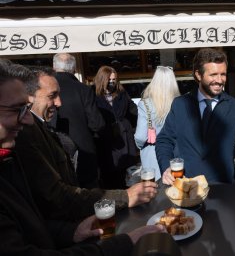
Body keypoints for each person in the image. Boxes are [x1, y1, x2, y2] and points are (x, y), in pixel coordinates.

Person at [0, 59, 164, 255]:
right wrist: (123, 241)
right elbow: (55, 198)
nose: (59, 103)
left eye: (25, 108)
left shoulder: (12, 151)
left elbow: (29, 224)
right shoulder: (24, 138)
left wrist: (71, 232)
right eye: (17, 109)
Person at [15, 66, 158, 222]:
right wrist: (124, 196)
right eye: (52, 96)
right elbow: (56, 195)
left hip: (121, 144)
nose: (59, 103)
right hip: (103, 150)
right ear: (28, 98)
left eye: (114, 79)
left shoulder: (39, 127)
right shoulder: (25, 134)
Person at [156, 48, 235, 184]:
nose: (220, 80)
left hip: (222, 187)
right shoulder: (180, 104)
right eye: (213, 74)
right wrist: (166, 167)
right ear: (198, 75)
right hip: (185, 185)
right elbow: (164, 140)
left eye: (223, 74)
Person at [53, 53, 105, 188]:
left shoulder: (44, 89)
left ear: (54, 66)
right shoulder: (83, 89)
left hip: (53, 153)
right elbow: (97, 124)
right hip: (84, 153)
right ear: (74, 69)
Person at [94, 66, 138, 189]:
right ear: (102, 79)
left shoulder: (122, 93)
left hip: (123, 137)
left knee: (123, 176)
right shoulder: (93, 94)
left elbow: (133, 111)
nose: (112, 82)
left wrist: (131, 127)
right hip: (106, 140)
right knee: (108, 176)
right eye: (109, 79)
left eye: (114, 79)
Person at [134, 66, 180, 181]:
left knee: (153, 192)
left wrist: (139, 145)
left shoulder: (145, 104)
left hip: (151, 155)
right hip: (175, 156)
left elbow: (140, 136)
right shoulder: (180, 103)